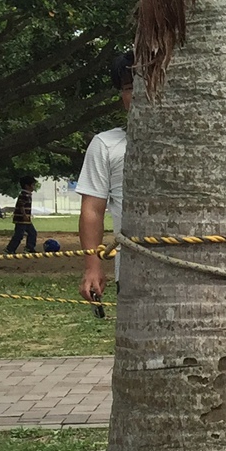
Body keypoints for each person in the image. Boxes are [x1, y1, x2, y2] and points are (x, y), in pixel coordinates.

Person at [78, 54, 133, 308]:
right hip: (132, 273)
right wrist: (93, 266)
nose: (136, 94)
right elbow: (92, 208)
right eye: (129, 88)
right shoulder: (106, 144)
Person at [5, 178, 37, 255]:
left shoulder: (28, 195)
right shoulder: (24, 195)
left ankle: (29, 248)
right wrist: (24, 215)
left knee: (32, 233)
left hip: (26, 219)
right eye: (32, 185)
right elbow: (21, 206)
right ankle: (10, 249)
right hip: (21, 219)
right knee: (19, 235)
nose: (33, 187)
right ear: (27, 186)